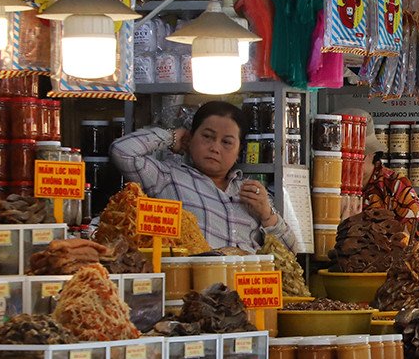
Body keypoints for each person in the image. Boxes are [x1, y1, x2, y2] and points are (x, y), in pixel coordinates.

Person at [110, 101, 301, 253]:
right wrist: (172, 137)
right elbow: (122, 151)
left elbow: (291, 253)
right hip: (193, 289)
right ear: (191, 138)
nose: (215, 148)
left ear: (239, 151)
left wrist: (267, 216)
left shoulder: (251, 192)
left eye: (227, 142)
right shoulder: (166, 177)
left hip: (245, 291)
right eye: (207, 137)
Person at [347, 110, 419, 222]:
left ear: (373, 153)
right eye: (341, 157)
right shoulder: (326, 183)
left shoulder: (396, 186)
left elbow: (413, 231)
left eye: (356, 156)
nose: (347, 163)